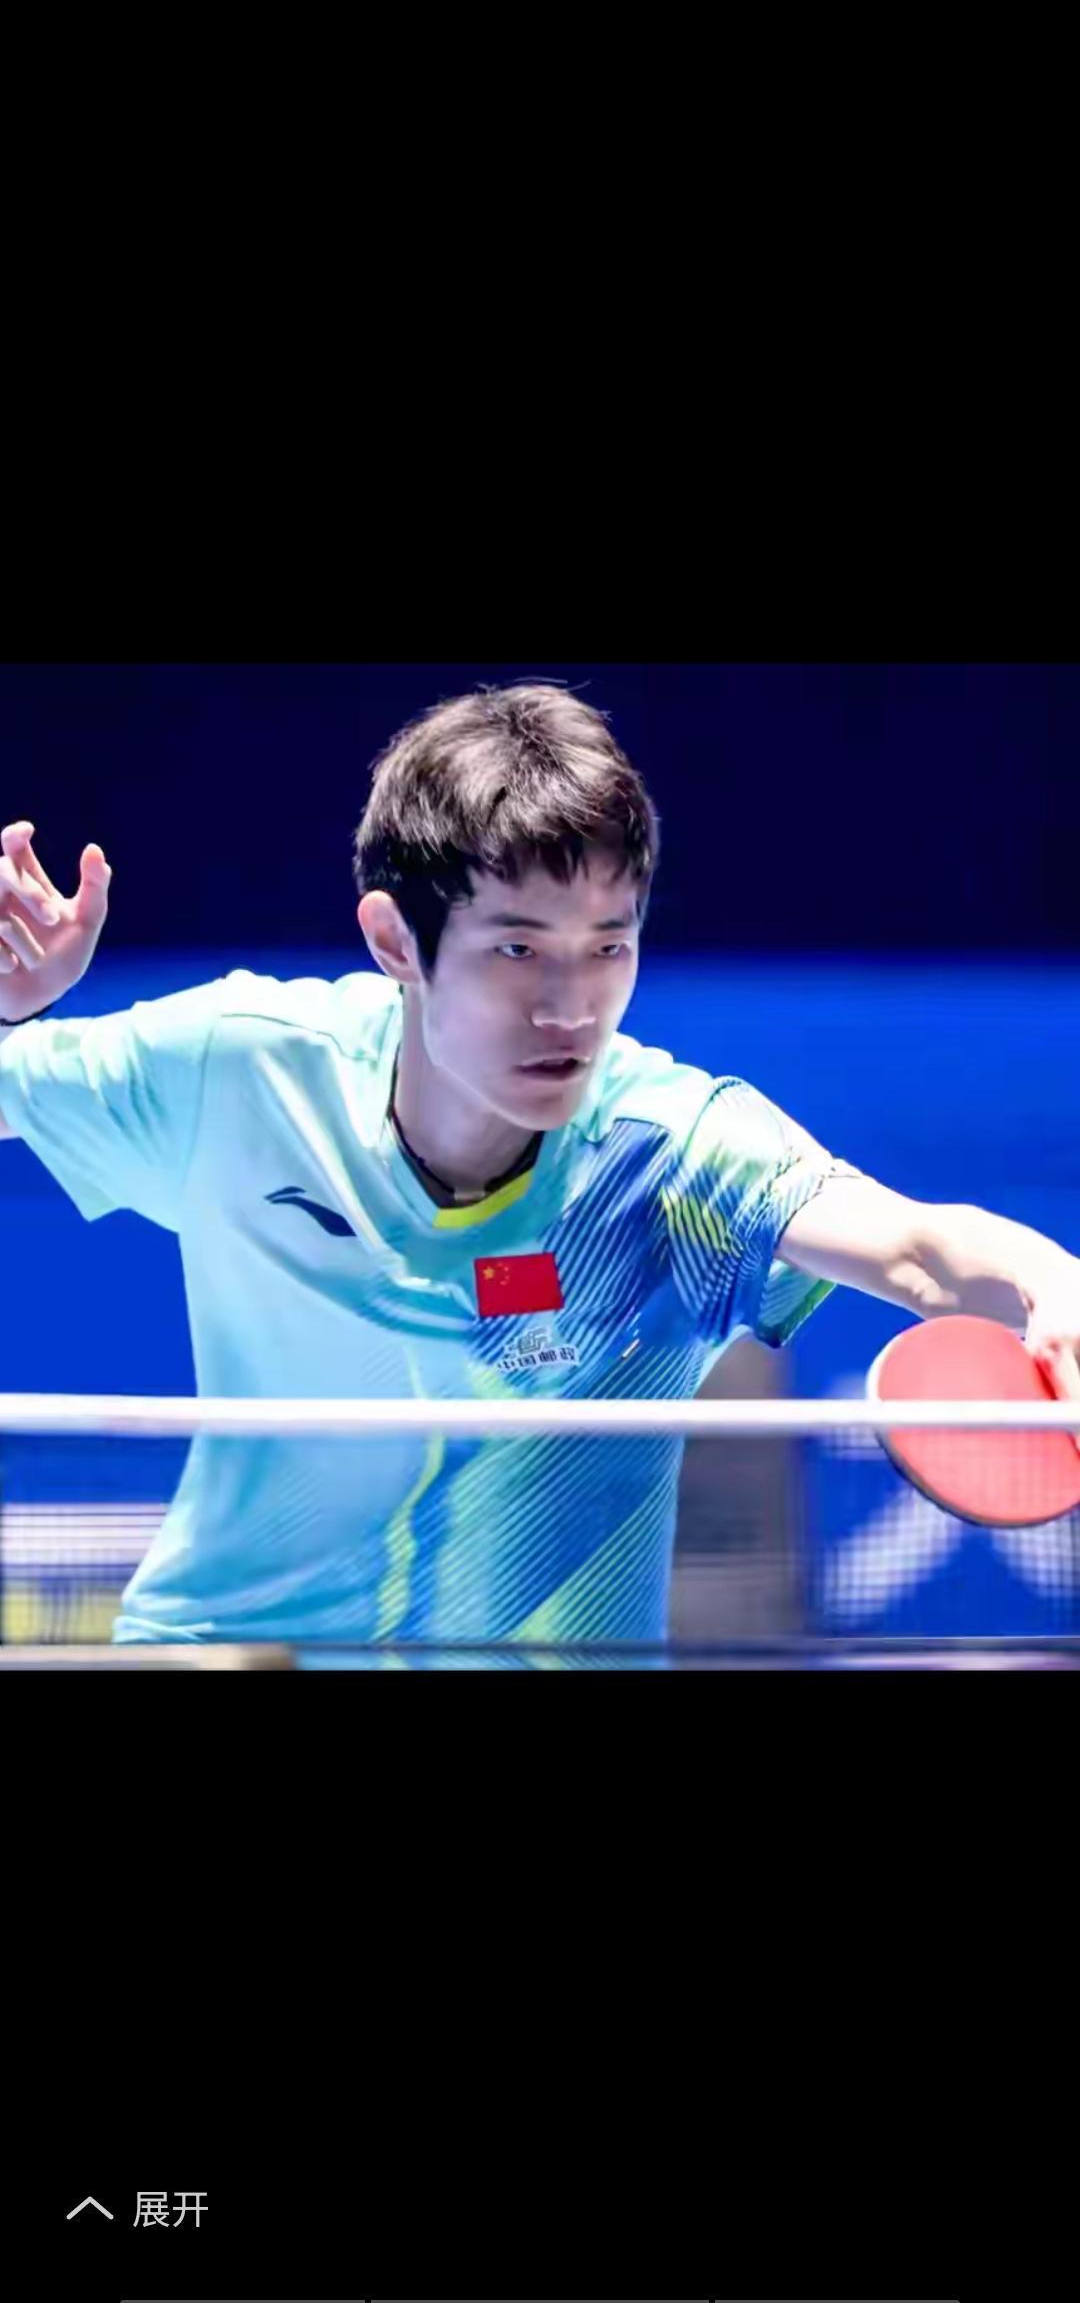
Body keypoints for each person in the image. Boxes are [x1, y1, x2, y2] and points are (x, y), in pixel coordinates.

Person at [2, 680, 1079, 1648]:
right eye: (517, 948)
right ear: (394, 941)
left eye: (608, 945)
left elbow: (916, 1248)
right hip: (229, 1652)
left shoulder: (670, 1158)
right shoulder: (241, 1071)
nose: (571, 1007)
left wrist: (1056, 1284)